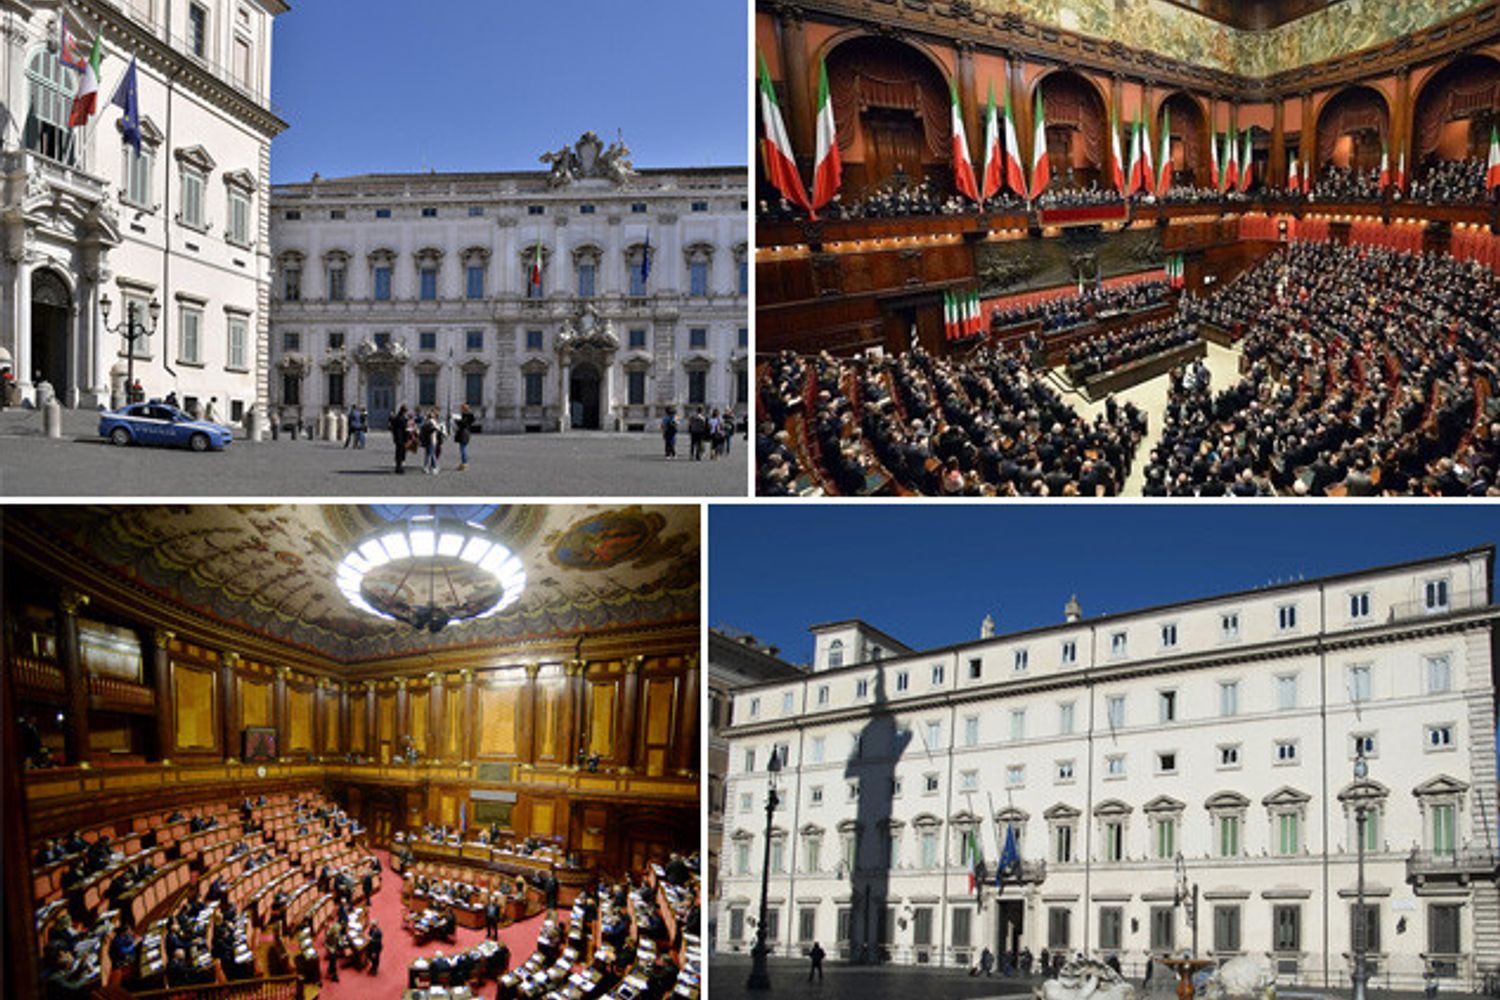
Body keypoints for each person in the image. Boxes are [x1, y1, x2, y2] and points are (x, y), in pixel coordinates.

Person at [420, 408, 444, 474]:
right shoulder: (431, 422)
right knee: (432, 454)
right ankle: (434, 468)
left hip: (428, 440)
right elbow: (433, 430)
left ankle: (425, 467)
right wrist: (438, 429)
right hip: (431, 440)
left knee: (427, 454)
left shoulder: (425, 422)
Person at [452, 404, 476, 471]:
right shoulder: (468, 416)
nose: (460, 409)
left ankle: (465, 463)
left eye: (461, 408)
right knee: (462, 448)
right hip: (466, 433)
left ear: (464, 409)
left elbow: (463, 424)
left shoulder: (466, 416)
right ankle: (463, 463)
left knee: (463, 449)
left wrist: (456, 420)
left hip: (464, 434)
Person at [389, 405, 410, 474]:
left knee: (398, 452)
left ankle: (398, 467)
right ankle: (399, 468)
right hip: (401, 438)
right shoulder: (402, 419)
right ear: (404, 411)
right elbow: (405, 429)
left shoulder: (396, 418)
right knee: (401, 453)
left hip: (397, 438)